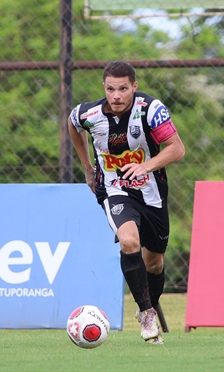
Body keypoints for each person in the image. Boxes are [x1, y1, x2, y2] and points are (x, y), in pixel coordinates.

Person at [68, 61, 185, 344]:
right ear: (104, 88)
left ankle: (148, 305)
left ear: (134, 86)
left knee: (154, 263)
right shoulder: (89, 113)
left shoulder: (150, 110)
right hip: (114, 189)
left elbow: (177, 149)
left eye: (123, 88)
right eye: (111, 89)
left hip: (152, 192)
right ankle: (147, 314)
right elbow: (73, 125)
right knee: (129, 241)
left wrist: (147, 166)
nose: (116, 95)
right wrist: (87, 166)